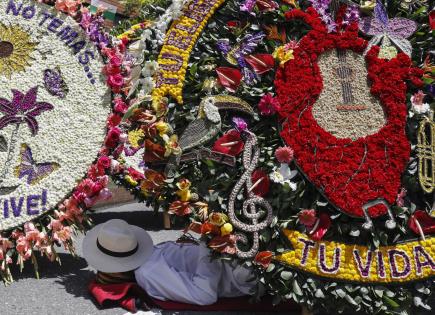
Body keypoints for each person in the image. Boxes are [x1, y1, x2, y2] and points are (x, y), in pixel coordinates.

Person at [82, 219, 257, 306]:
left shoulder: (150, 257)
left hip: (235, 253)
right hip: (243, 274)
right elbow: (203, 296)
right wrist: (208, 246)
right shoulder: (148, 272)